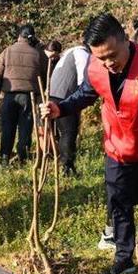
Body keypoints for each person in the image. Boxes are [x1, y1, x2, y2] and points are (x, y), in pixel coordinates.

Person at [40, 13, 138, 274]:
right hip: (117, 146)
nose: (108, 63)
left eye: (112, 55)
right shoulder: (96, 66)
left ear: (125, 41)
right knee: (118, 203)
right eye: (101, 58)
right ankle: (123, 258)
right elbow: (85, 93)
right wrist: (59, 108)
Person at [0, 24, 48, 166]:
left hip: (10, 95)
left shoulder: (7, 51)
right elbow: (46, 73)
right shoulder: (37, 54)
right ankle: (22, 157)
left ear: (18, 36)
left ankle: (4, 157)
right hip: (28, 96)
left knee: (7, 127)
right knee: (25, 127)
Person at [49, 42, 89, 178]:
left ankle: (63, 164)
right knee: (68, 133)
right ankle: (67, 168)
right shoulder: (81, 53)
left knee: (63, 133)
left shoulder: (69, 52)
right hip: (65, 98)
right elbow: (84, 80)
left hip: (55, 95)